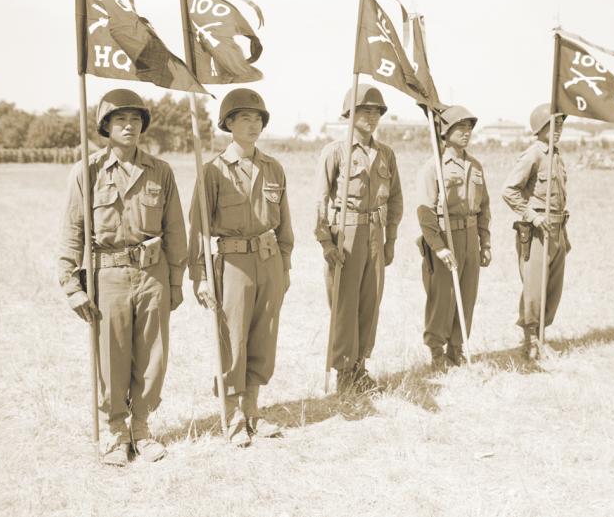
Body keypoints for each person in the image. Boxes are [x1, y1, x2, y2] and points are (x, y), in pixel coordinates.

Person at [58, 88, 188, 466]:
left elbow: (175, 228)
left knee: (153, 355)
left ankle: (143, 429)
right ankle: (116, 432)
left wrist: (176, 280)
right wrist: (72, 287)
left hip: (152, 274)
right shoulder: (88, 171)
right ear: (106, 127)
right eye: (119, 120)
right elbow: (72, 231)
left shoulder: (161, 171)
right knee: (111, 356)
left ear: (143, 125)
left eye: (134, 120)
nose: (128, 126)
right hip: (108, 274)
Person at [189, 88, 293, 447]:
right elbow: (199, 230)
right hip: (232, 262)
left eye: (258, 119)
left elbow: (284, 226)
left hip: (269, 262)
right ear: (228, 124)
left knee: (263, 336)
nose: (253, 125)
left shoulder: (273, 168)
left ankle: (253, 410)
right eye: (244, 118)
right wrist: (201, 276)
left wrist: (285, 268)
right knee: (233, 338)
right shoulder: (214, 171)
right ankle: (232, 417)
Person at [315, 84, 403, 394]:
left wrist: (390, 240)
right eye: (365, 110)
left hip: (375, 233)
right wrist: (326, 242)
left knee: (370, 302)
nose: (372, 116)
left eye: (377, 111)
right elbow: (321, 200)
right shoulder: (335, 151)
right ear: (349, 114)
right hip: (346, 234)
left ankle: (360, 366)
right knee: (345, 304)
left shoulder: (386, 154)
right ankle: (343, 370)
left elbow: (395, 200)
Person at [417, 106, 491, 370]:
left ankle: (457, 348)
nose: (467, 133)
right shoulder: (433, 167)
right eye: (460, 128)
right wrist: (437, 247)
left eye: (469, 128)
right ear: (445, 133)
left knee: (467, 296)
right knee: (443, 297)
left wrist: (485, 242)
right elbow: (425, 213)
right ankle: (437, 350)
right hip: (446, 238)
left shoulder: (475, 166)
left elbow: (484, 207)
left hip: (471, 237)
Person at [502, 103, 571, 359]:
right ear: (539, 128)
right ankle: (530, 340)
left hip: (557, 228)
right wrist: (531, 215)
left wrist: (564, 235)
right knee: (535, 288)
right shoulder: (533, 155)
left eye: (561, 125)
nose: (557, 130)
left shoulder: (556, 156)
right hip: (537, 230)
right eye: (552, 125)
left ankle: (542, 336)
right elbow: (509, 190)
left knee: (553, 287)